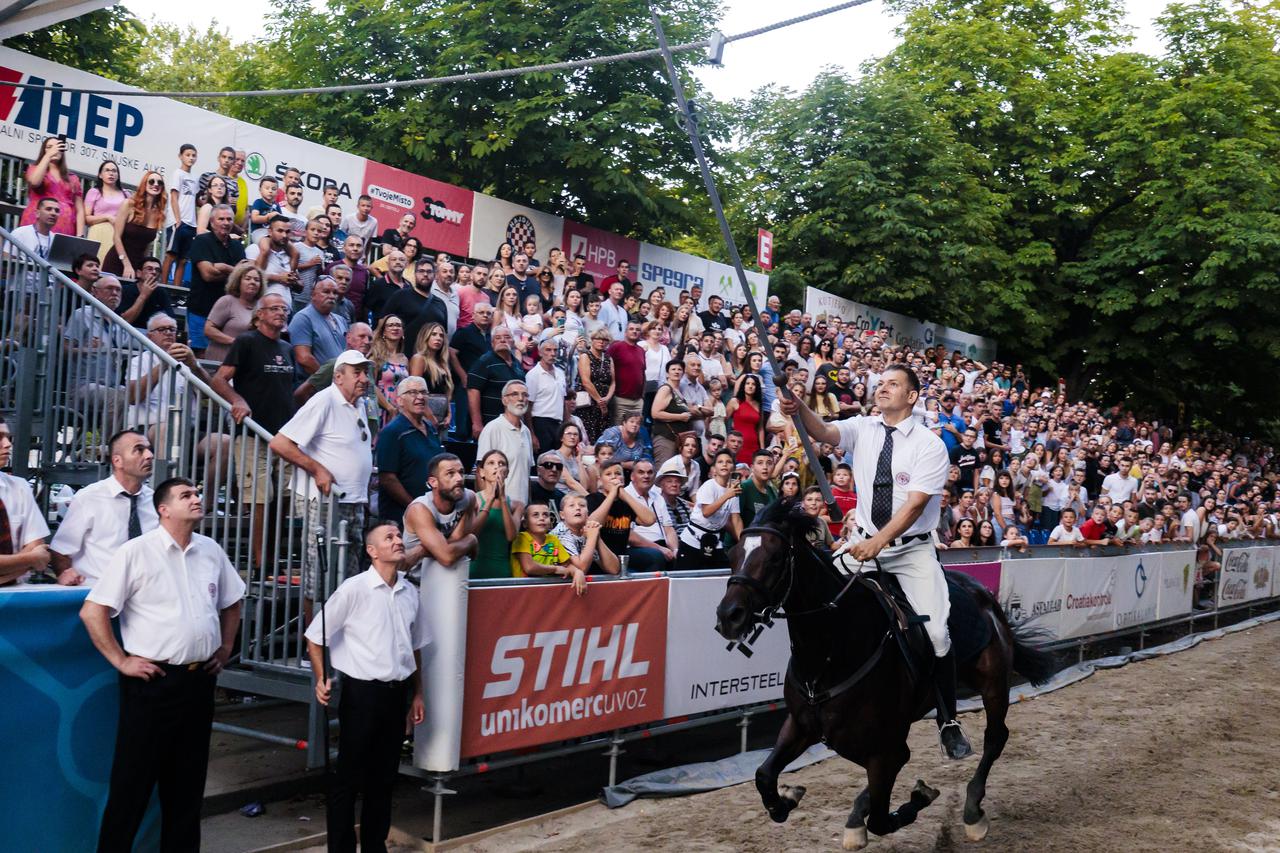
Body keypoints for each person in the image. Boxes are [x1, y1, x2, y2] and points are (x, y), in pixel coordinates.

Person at [780, 361, 973, 760]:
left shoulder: (929, 444)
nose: (882, 388)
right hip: (863, 543)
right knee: (821, 603)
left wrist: (879, 543)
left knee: (937, 633)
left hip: (911, 550)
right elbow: (824, 432)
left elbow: (917, 504)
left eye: (893, 384)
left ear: (912, 396)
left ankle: (949, 721)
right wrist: (798, 406)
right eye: (880, 383)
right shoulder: (863, 427)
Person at [81, 477, 244, 852]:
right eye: (186, 495)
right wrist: (121, 660)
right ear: (163, 509)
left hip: (199, 681)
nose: (197, 499)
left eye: (198, 493)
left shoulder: (211, 550)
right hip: (153, 683)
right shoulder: (136, 552)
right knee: (132, 786)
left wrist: (226, 646)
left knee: (187, 788)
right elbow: (93, 612)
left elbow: (232, 601)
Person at [304, 522, 427, 853]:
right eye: (389, 538)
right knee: (348, 778)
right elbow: (315, 638)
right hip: (362, 694)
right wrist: (321, 678)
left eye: (399, 536)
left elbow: (415, 646)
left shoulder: (410, 591)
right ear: (372, 551)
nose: (398, 541)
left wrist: (418, 693)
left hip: (396, 692)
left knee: (384, 778)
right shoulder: (353, 589)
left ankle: (375, 846)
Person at [270, 350, 374, 618]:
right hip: (325, 500)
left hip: (353, 499)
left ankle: (337, 643)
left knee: (348, 575)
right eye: (357, 372)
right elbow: (280, 443)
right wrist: (317, 469)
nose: (364, 378)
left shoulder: (360, 403)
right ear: (338, 377)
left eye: (365, 372)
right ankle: (312, 646)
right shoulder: (324, 400)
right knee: (318, 572)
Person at [211, 293, 296, 568]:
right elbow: (220, 379)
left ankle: (274, 556)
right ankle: (261, 563)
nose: (281, 313)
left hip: (282, 436)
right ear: (259, 314)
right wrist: (238, 400)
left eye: (284, 309)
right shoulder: (246, 341)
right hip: (252, 433)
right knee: (260, 497)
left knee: (283, 497)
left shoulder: (286, 347)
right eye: (274, 309)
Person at [49, 429, 158, 586]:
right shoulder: (89, 498)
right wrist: (70, 581)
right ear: (117, 461)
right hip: (98, 593)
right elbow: (61, 551)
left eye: (149, 449)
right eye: (139, 450)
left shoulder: (153, 500)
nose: (149, 455)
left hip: (144, 594)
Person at [376, 376, 443, 524]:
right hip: (400, 517)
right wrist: (415, 507)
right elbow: (387, 478)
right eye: (412, 392)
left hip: (431, 514)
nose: (420, 397)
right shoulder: (392, 432)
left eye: (423, 392)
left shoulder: (431, 429)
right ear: (399, 400)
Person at [186, 204, 246, 355]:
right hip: (201, 310)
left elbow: (243, 276)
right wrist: (234, 271)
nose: (226, 223)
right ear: (212, 222)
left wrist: (223, 267)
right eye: (221, 219)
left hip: (227, 314)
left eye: (229, 219)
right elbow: (208, 275)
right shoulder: (201, 241)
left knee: (224, 356)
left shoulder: (238, 246)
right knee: (201, 357)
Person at [0, 416, 52, 585]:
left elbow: (39, 548)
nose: (8, 444)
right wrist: (30, 559)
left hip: (16, 597)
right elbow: (36, 557)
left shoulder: (19, 487)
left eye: (8, 437)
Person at [676, 449, 742, 569]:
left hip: (715, 540)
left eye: (728, 462)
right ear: (714, 468)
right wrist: (727, 495)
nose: (724, 464)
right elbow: (706, 512)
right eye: (720, 462)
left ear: (733, 467)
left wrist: (742, 543)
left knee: (723, 573)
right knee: (686, 578)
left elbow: (736, 519)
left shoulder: (734, 490)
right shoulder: (709, 486)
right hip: (693, 538)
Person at [476, 380, 534, 506]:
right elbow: (480, 473)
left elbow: (526, 476)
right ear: (504, 400)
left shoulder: (526, 432)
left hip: (520, 510)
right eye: (514, 394)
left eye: (525, 395)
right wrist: (486, 508)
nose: (520, 398)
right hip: (498, 508)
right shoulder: (492, 428)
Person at [587, 460, 656, 564]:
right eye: (608, 474)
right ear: (600, 480)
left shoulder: (626, 502)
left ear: (623, 479)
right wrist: (612, 495)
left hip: (621, 555)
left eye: (618, 473)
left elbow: (650, 520)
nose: (614, 477)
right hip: (598, 557)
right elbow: (593, 524)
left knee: (655, 557)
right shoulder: (593, 499)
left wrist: (624, 494)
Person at [510, 503, 586, 594]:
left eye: (545, 515)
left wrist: (577, 572)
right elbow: (529, 567)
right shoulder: (521, 538)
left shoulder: (553, 540)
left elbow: (567, 565)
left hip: (547, 593)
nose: (541, 518)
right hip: (523, 593)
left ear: (550, 522)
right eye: (535, 515)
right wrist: (555, 569)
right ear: (525, 523)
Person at [468, 326, 526, 436]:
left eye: (507, 337)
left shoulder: (517, 364)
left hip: (512, 425)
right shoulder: (484, 361)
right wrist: (477, 423)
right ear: (492, 343)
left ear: (513, 342)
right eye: (498, 338)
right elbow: (473, 391)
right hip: (489, 425)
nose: (503, 340)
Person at [21, 135, 84, 237]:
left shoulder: (73, 178)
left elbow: (80, 209)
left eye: (57, 147)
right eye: (49, 147)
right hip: (37, 224)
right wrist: (48, 156)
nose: (54, 150)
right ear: (44, 151)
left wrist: (80, 235)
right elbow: (34, 182)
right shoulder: (34, 169)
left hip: (64, 229)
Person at [288, 277, 349, 376]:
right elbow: (304, 358)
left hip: (339, 383)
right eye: (326, 292)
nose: (332, 296)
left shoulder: (341, 320)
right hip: (315, 386)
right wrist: (328, 379)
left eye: (335, 292)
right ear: (313, 294)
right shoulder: (303, 318)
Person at [203, 262, 262, 363]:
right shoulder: (227, 301)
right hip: (221, 362)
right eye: (247, 278)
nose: (252, 282)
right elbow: (208, 330)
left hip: (245, 364)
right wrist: (235, 342)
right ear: (238, 282)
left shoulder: (261, 306)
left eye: (257, 280)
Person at [625, 459, 677, 571]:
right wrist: (659, 548)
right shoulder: (625, 496)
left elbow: (669, 529)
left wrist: (675, 550)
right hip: (636, 547)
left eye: (650, 472)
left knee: (685, 556)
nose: (646, 476)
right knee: (656, 556)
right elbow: (628, 535)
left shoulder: (658, 497)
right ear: (632, 476)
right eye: (641, 472)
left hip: (660, 544)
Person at [550, 492, 619, 576]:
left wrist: (597, 537)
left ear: (587, 514)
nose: (578, 508)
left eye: (582, 505)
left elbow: (614, 569)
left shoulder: (587, 532)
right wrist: (592, 538)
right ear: (562, 515)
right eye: (572, 505)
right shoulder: (560, 534)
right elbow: (581, 570)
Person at [161, 143, 200, 286]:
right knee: (171, 255)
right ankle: (164, 286)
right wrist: (178, 220)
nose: (191, 158)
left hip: (191, 223)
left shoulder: (195, 178)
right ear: (180, 156)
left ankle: (176, 290)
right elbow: (174, 197)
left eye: (193, 155)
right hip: (178, 222)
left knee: (183, 259)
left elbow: (195, 200)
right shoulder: (177, 173)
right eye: (188, 155)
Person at [527, 337, 569, 453]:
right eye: (548, 350)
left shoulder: (560, 373)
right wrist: (531, 434)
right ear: (540, 352)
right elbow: (528, 406)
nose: (552, 354)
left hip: (558, 424)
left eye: (555, 350)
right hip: (540, 423)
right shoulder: (533, 375)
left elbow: (563, 402)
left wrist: (567, 426)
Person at [85, 161, 131, 262]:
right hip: (98, 233)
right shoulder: (94, 192)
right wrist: (107, 217)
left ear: (118, 175)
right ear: (100, 175)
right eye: (107, 170)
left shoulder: (126, 194)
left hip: (119, 235)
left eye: (114, 171)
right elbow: (86, 218)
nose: (111, 173)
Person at [575, 328, 615, 443]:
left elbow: (613, 382)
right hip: (588, 404)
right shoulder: (585, 356)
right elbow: (586, 381)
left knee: (602, 437)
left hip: (605, 403)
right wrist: (600, 401)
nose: (601, 341)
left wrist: (607, 399)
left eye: (604, 339)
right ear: (592, 340)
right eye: (598, 338)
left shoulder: (608, 359)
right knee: (587, 436)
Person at [650, 359, 693, 466]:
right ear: (667, 373)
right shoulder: (666, 389)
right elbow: (655, 413)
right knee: (664, 471)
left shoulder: (679, 391)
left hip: (677, 440)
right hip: (665, 437)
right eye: (673, 369)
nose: (677, 371)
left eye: (679, 369)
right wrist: (680, 417)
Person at [607, 319, 646, 424]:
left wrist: (642, 396)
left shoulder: (641, 350)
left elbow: (642, 373)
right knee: (618, 431)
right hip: (620, 399)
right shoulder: (616, 347)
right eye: (631, 329)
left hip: (637, 401)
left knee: (635, 431)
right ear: (625, 332)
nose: (634, 331)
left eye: (637, 330)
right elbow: (606, 367)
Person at [726, 373, 765, 464]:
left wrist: (762, 448)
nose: (750, 386)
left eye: (753, 384)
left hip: (754, 445)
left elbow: (760, 428)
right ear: (743, 386)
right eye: (747, 383)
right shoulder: (735, 401)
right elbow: (724, 420)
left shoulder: (759, 404)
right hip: (737, 444)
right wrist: (727, 440)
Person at [739, 448, 778, 528]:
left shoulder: (773, 491)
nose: (765, 467)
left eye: (769, 463)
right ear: (752, 468)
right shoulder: (743, 488)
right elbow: (732, 519)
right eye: (760, 463)